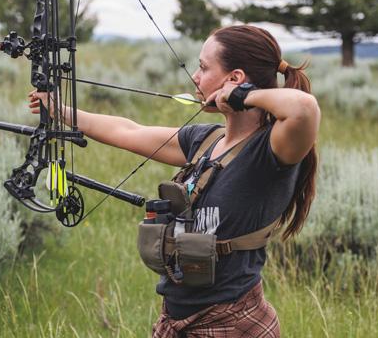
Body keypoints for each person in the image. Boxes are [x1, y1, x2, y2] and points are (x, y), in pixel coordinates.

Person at [29, 25, 320, 337]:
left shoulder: (271, 149)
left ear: (234, 78)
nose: (195, 76)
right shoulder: (205, 139)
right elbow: (129, 131)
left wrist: (242, 96)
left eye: (204, 67)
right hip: (177, 319)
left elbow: (305, 108)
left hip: (233, 322)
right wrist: (60, 110)